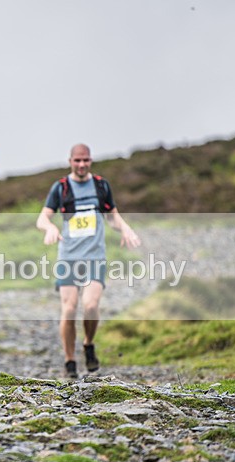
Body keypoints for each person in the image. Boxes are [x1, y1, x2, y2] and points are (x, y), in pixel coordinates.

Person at [36, 144, 141, 379]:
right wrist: (49, 227)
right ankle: (70, 361)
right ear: (70, 161)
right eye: (77, 161)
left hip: (95, 256)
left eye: (85, 161)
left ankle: (88, 344)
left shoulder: (101, 185)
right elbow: (42, 218)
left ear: (90, 161)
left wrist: (125, 229)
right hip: (69, 257)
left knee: (91, 305)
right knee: (69, 309)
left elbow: (112, 216)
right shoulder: (61, 188)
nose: (81, 165)